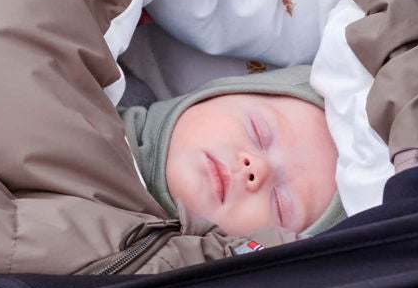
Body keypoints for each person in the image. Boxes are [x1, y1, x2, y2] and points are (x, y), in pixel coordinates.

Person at [122, 65, 348, 242]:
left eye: (281, 204)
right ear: (220, 91)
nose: (257, 168)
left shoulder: (156, 277)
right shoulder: (110, 86)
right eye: (259, 132)